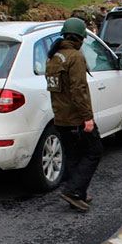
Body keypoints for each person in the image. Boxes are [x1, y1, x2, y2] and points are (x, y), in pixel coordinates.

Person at [45, 18, 102, 212]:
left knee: (73, 155)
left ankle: (78, 191)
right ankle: (73, 191)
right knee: (94, 151)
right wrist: (87, 117)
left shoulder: (53, 56)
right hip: (76, 117)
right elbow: (79, 89)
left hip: (60, 116)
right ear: (79, 38)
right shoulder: (75, 57)